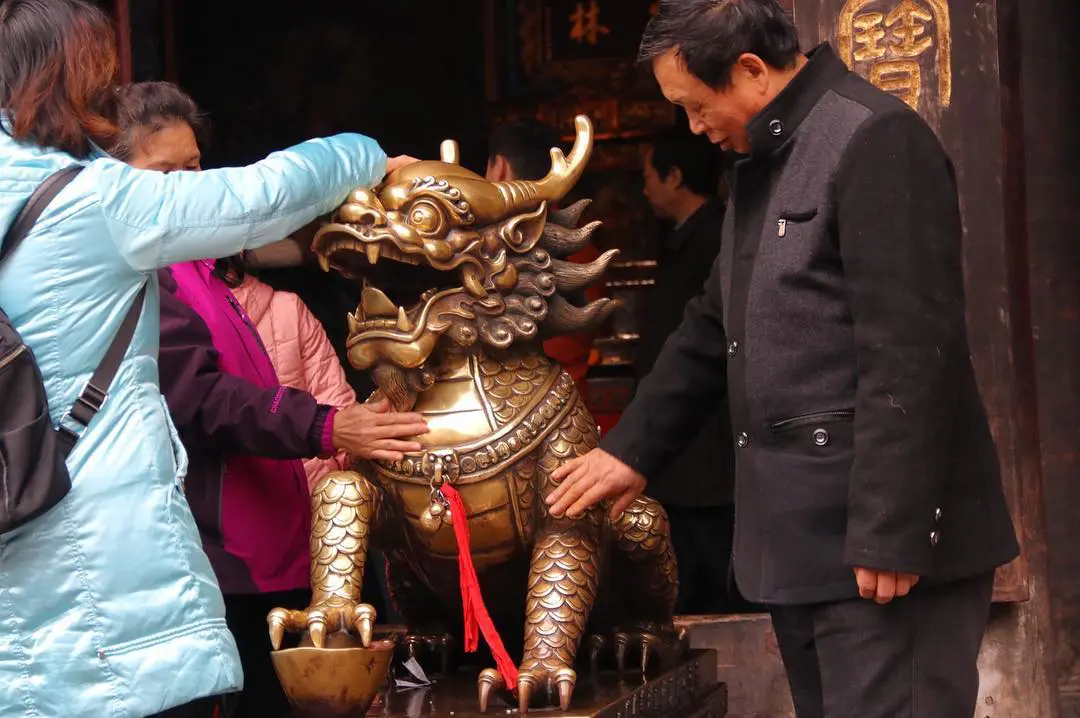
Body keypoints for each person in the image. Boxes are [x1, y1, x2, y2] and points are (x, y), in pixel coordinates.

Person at [546, 1, 1020, 716]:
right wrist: (631, 451)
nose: (694, 128)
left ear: (750, 70)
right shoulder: (761, 165)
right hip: (802, 543)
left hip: (880, 550)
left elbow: (911, 353)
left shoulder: (874, 138)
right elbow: (712, 327)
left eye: (696, 106)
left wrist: (893, 530)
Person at [0, 2, 417, 717]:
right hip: (104, 569)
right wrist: (367, 155)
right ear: (82, 77)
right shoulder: (95, 202)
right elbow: (258, 196)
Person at [111, 81, 421, 718]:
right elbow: (202, 398)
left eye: (195, 169)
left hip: (281, 557)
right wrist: (331, 427)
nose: (188, 189)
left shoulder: (202, 266)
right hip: (216, 565)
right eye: (164, 174)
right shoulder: (142, 276)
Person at [637, 129, 744, 614]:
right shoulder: (686, 239)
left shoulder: (718, 237)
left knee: (714, 578)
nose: (643, 190)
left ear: (674, 177)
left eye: (648, 177)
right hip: (683, 450)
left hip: (709, 446)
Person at [486, 119, 602, 396]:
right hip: (572, 403)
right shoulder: (585, 250)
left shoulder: (488, 250)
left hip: (505, 406)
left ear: (500, 167)